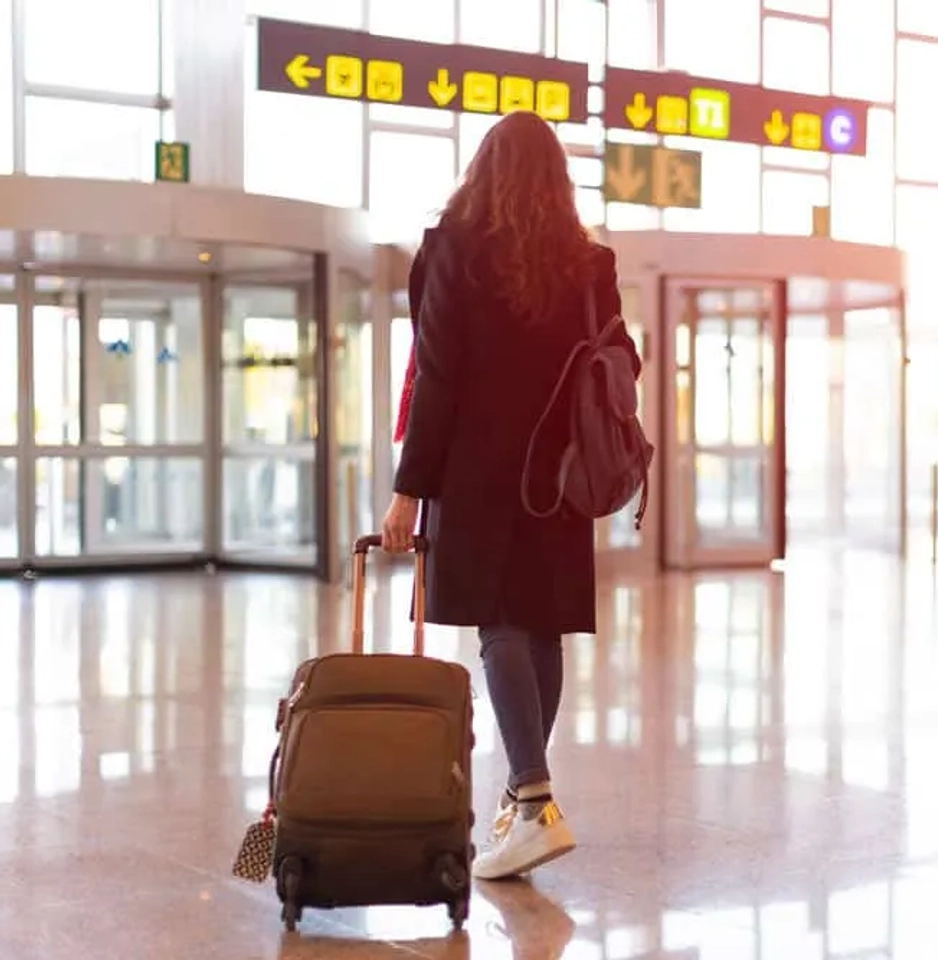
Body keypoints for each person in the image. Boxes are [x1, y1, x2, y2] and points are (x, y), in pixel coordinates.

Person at [381, 111, 641, 882]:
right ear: (559, 181)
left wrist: (407, 493)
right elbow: (621, 358)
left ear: (483, 170)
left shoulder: (453, 250)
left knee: (500, 626)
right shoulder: (590, 263)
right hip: (559, 473)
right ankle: (523, 803)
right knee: (542, 629)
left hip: (478, 473)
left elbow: (439, 380)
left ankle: (532, 801)